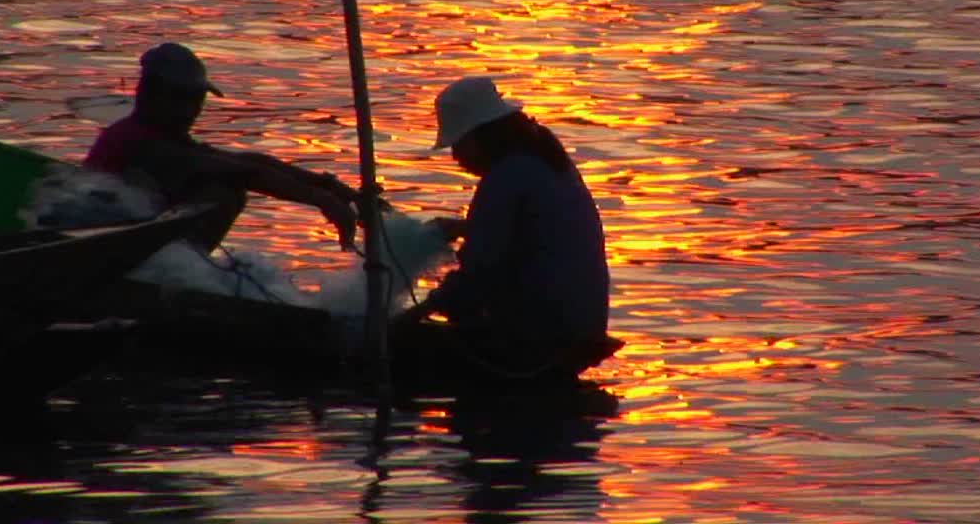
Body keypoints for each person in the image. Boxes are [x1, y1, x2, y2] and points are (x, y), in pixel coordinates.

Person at [404, 75, 611, 373]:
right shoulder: (548, 160)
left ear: (481, 135)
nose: (454, 156)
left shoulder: (505, 178)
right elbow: (534, 233)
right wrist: (467, 229)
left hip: (541, 333)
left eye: (458, 144)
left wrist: (417, 313)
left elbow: (479, 272)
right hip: (584, 321)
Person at [83, 42, 358, 252]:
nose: (193, 110)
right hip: (104, 244)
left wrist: (328, 186)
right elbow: (241, 173)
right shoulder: (139, 141)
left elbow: (247, 161)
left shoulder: (167, 135)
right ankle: (181, 280)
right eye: (183, 99)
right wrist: (322, 201)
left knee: (226, 182)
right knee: (224, 191)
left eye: (198, 100)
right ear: (151, 94)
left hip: (131, 236)